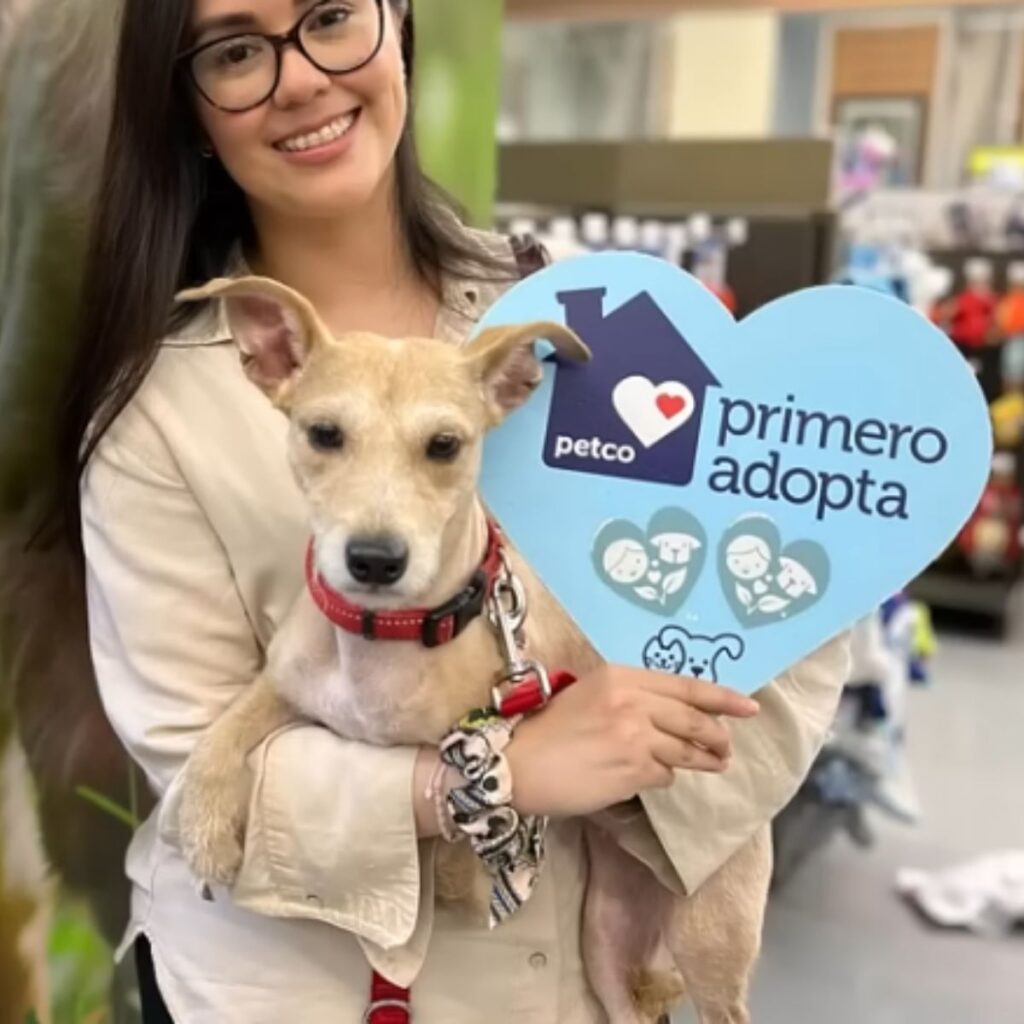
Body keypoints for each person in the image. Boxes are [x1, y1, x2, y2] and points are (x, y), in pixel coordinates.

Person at [54, 0, 851, 1019]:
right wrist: (502, 772)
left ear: (399, 26)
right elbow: (197, 774)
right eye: (238, 48)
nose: (299, 77)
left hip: (575, 983)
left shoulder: (584, 319)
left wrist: (650, 777)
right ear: (189, 103)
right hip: (286, 990)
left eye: (332, 15)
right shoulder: (155, 418)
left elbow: (783, 596)